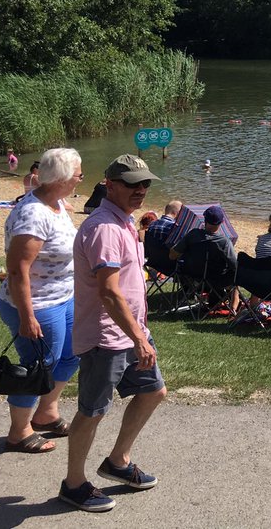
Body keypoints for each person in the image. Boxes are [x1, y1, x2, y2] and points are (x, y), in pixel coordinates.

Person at [61, 154, 167, 513]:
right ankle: (73, 483)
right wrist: (138, 338)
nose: (141, 190)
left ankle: (117, 462)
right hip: (107, 337)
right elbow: (108, 292)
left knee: (153, 392)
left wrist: (140, 332)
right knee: (92, 411)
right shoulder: (104, 227)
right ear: (110, 185)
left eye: (145, 184)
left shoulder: (124, 221)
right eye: (133, 184)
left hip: (132, 332)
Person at [0, 147, 83, 455]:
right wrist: (26, 317)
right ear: (61, 179)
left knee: (73, 354)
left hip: (61, 297)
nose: (81, 179)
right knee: (39, 365)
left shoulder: (56, 203)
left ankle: (46, 411)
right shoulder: (33, 214)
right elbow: (18, 269)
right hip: (36, 304)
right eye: (78, 175)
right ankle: (19, 431)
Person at [170, 204, 239, 313]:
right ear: (221, 223)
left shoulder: (193, 234)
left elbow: (172, 255)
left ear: (205, 220)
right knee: (235, 275)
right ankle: (234, 305)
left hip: (190, 277)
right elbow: (234, 265)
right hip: (215, 280)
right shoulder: (224, 241)